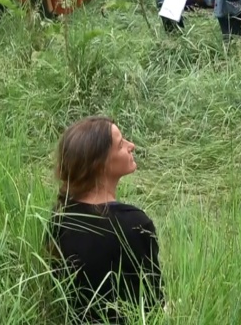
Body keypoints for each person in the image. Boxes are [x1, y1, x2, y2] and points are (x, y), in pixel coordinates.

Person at [48, 116, 163, 324]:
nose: (131, 146)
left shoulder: (60, 218)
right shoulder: (134, 224)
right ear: (100, 165)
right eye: (121, 145)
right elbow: (153, 305)